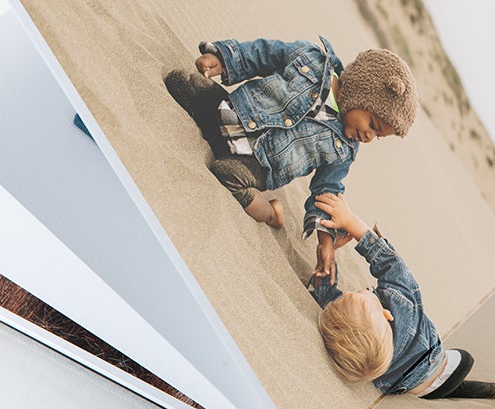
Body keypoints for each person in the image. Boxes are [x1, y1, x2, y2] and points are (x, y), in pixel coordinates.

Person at [164, 35, 416, 281]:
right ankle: (206, 110)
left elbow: (326, 191)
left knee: (226, 173)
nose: (369, 137)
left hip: (257, 164)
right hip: (231, 113)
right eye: (372, 124)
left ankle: (270, 213)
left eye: (378, 136)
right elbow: (263, 55)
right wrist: (224, 60)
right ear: (361, 93)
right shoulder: (310, 60)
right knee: (181, 81)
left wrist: (326, 241)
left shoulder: (344, 150)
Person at [309, 192, 495, 401]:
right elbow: (391, 264)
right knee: (458, 379)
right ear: (388, 315)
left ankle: (493, 390)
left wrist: (325, 271)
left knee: (450, 387)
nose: (358, 291)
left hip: (412, 388)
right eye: (361, 295)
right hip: (441, 363)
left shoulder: (364, 358)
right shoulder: (404, 309)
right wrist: (351, 222)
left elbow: (332, 305)